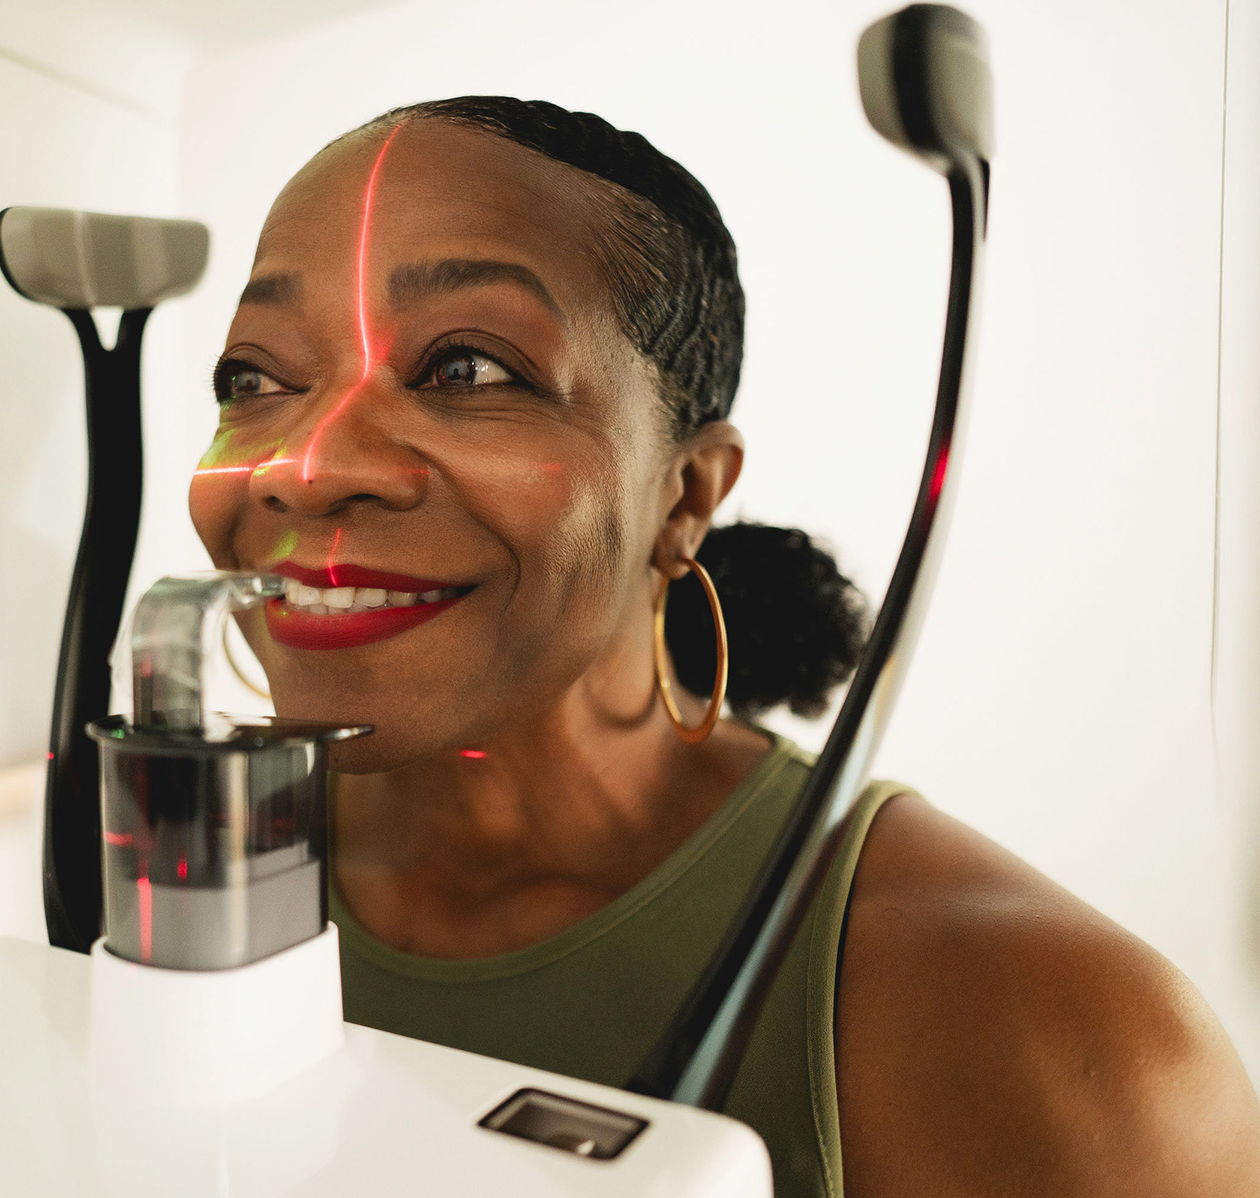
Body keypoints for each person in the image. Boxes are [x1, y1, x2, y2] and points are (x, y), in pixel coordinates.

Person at [186, 96, 1260, 1196]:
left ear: (688, 493)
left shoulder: (1064, 1046)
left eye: (466, 368)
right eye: (255, 378)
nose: (302, 467)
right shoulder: (164, 864)